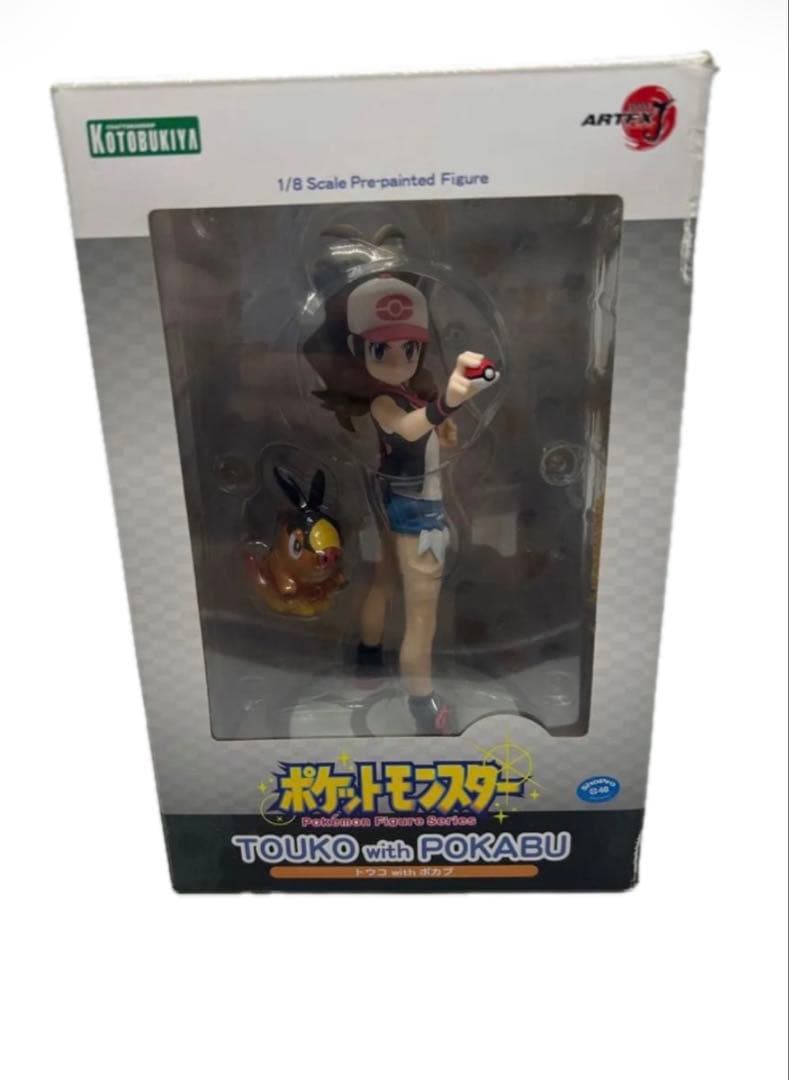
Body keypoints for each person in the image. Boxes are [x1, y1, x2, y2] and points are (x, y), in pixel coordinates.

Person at [307, 274, 496, 732]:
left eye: (409, 349)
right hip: (415, 510)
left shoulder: (410, 394)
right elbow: (408, 429)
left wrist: (444, 423)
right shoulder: (382, 402)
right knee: (422, 616)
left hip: (401, 500)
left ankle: (368, 659)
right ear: (356, 350)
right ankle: (422, 705)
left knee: (386, 578)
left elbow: (429, 435)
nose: (397, 360)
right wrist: (449, 401)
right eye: (381, 350)